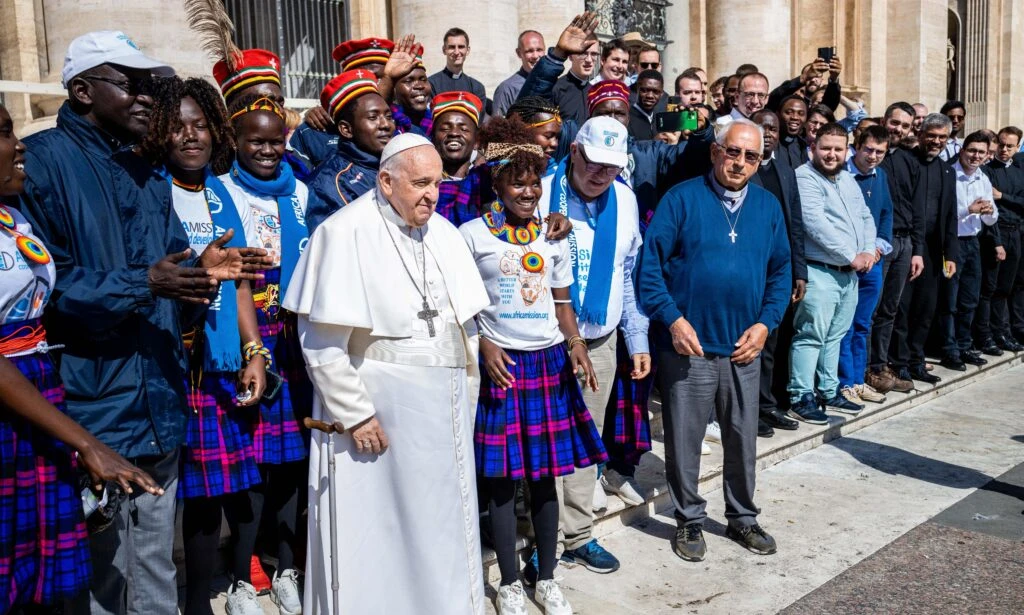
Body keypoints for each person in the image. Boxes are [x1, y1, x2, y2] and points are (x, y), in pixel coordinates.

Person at [18, 31, 269, 615]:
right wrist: (145, 284)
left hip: (159, 399)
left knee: (155, 567)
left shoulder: (147, 171)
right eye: (130, 84)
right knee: (100, 579)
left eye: (151, 87)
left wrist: (203, 276)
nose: (147, 99)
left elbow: (170, 282)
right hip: (90, 410)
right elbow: (44, 292)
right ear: (83, 90)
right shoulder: (41, 164)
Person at [284, 133, 488, 615]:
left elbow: (465, 327)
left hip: (444, 418)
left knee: (441, 527)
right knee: (380, 534)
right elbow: (321, 341)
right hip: (382, 415)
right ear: (386, 181)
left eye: (436, 184)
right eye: (420, 184)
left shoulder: (444, 234)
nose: (431, 195)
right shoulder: (344, 233)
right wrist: (355, 414)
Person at [0, 101, 162, 614]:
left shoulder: (13, 217)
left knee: (39, 568)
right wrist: (87, 443)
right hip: (12, 401)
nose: (19, 145)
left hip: (36, 397)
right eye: (4, 133)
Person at [460, 117, 606, 615]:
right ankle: (508, 583)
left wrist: (575, 342)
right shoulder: (471, 236)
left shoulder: (553, 234)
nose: (527, 191)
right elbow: (462, 306)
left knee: (545, 479)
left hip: (548, 365)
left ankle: (546, 578)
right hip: (502, 367)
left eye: (534, 182)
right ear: (497, 183)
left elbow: (562, 302)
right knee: (501, 483)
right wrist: (483, 344)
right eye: (516, 182)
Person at [138, 76, 272, 615]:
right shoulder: (151, 188)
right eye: (178, 126)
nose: (190, 136)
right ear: (160, 132)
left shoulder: (221, 192)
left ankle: (226, 590)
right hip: (174, 359)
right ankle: (193, 604)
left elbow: (240, 282)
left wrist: (253, 351)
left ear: (216, 130)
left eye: (200, 125)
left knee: (223, 487)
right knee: (190, 496)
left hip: (220, 359)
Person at [637, 118, 791, 562]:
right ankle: (688, 519)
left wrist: (765, 324)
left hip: (744, 346)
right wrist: (673, 320)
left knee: (742, 440)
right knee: (684, 440)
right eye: (733, 152)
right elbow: (650, 269)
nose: (740, 162)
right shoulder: (681, 199)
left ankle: (742, 517)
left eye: (751, 156)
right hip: (690, 345)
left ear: (759, 162)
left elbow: (781, 272)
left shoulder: (767, 206)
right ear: (715, 152)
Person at [534, 116, 650, 575]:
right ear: (574, 152)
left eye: (612, 166)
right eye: (594, 162)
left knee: (585, 441)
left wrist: (636, 337)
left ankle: (579, 534)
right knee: (542, 444)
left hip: (600, 341)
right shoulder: (540, 193)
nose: (602, 174)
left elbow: (627, 275)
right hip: (543, 344)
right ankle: (542, 537)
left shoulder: (626, 199)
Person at [224, 94, 321, 615]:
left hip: (293, 336)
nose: (266, 150)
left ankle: (286, 567)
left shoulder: (301, 193)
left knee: (289, 460)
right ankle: (242, 574)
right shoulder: (223, 192)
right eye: (254, 141)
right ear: (235, 142)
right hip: (246, 333)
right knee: (249, 462)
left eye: (275, 141)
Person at [788, 122, 877, 422]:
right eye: (825, 148)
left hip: (848, 274)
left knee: (835, 335)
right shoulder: (804, 177)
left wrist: (868, 250)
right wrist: (852, 255)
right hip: (820, 270)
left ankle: (828, 390)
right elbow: (814, 223)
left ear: (846, 151)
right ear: (813, 147)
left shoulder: (848, 179)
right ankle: (801, 396)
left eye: (838, 149)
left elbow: (865, 216)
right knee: (811, 335)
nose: (831, 154)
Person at [890, 113, 959, 385]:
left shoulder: (947, 171)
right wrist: (915, 249)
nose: (936, 141)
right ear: (920, 134)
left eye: (942, 137)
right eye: (932, 135)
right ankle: (899, 362)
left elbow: (950, 215)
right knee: (903, 308)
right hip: (908, 246)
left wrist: (950, 254)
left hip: (932, 250)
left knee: (926, 308)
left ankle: (916, 360)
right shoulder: (906, 162)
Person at [749, 109, 805, 437]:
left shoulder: (785, 170)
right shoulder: (743, 168)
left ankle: (767, 404)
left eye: (773, 129)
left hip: (779, 269)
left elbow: (795, 223)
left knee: (773, 341)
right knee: (753, 339)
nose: (768, 133)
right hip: (750, 268)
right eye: (761, 128)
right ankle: (749, 408)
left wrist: (800, 270)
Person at [864, 102, 925, 394]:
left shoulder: (910, 161)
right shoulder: (871, 158)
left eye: (904, 125)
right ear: (884, 120)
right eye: (895, 122)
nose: (898, 129)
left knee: (890, 309)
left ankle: (880, 365)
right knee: (870, 309)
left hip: (904, 243)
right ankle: (864, 369)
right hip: (878, 243)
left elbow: (917, 208)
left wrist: (917, 250)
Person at [837, 125, 894, 406]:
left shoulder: (880, 176)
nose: (873, 156)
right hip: (846, 262)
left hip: (873, 262)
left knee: (862, 324)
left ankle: (859, 380)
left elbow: (886, 215)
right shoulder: (840, 174)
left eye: (879, 152)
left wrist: (878, 248)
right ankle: (844, 383)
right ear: (856, 146)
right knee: (843, 326)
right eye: (868, 150)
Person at [304, 69, 395, 231]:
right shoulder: (329, 184)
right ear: (346, 129)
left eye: (388, 116)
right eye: (373, 117)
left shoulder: (397, 165)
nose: (386, 125)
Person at [939, 131, 998, 370]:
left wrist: (988, 211)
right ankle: (949, 349)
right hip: (951, 243)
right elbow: (942, 214)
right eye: (972, 150)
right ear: (962, 150)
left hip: (973, 242)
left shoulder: (983, 177)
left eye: (981, 152)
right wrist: (969, 210)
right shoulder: (948, 174)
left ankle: (964, 345)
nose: (976, 156)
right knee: (949, 299)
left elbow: (992, 219)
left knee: (970, 298)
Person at [292, 37, 396, 171]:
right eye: (359, 78)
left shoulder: (402, 123)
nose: (370, 84)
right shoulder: (313, 130)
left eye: (380, 79)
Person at [981, 126, 1024, 352]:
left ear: (1018, 147)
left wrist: (1003, 196)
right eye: (1002, 144)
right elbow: (989, 207)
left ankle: (1004, 331)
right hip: (995, 233)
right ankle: (988, 334)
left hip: (1016, 232)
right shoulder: (986, 171)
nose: (1004, 149)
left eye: (1010, 146)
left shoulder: (1019, 171)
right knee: (991, 287)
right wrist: (996, 241)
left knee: (1008, 286)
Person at [493, 30, 545, 117]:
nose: (535, 56)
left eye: (539, 50)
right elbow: (498, 123)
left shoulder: (555, 84)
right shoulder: (507, 89)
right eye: (529, 51)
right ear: (519, 53)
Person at [428, 27, 487, 102]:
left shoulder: (477, 87)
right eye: (452, 47)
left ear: (468, 50)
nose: (456, 52)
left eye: (461, 47)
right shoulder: (431, 84)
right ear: (444, 50)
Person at [767, 55, 842, 113]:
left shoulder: (822, 99)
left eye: (817, 76)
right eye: (810, 76)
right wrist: (803, 77)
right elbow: (774, 98)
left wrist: (833, 78)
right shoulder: (792, 97)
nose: (813, 80)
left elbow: (829, 105)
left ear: (822, 79)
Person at [551, 36, 598, 126]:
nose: (589, 60)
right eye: (583, 53)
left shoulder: (596, 92)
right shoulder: (556, 89)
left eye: (594, 54)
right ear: (570, 56)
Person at [628, 69, 664, 141]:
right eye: (645, 90)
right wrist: (653, 142)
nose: (650, 96)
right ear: (637, 89)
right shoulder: (627, 118)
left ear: (661, 94)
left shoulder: (661, 119)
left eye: (655, 92)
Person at [776, 95, 809, 168]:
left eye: (801, 114)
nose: (795, 117)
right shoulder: (770, 143)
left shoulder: (803, 146)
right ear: (778, 115)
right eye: (789, 112)